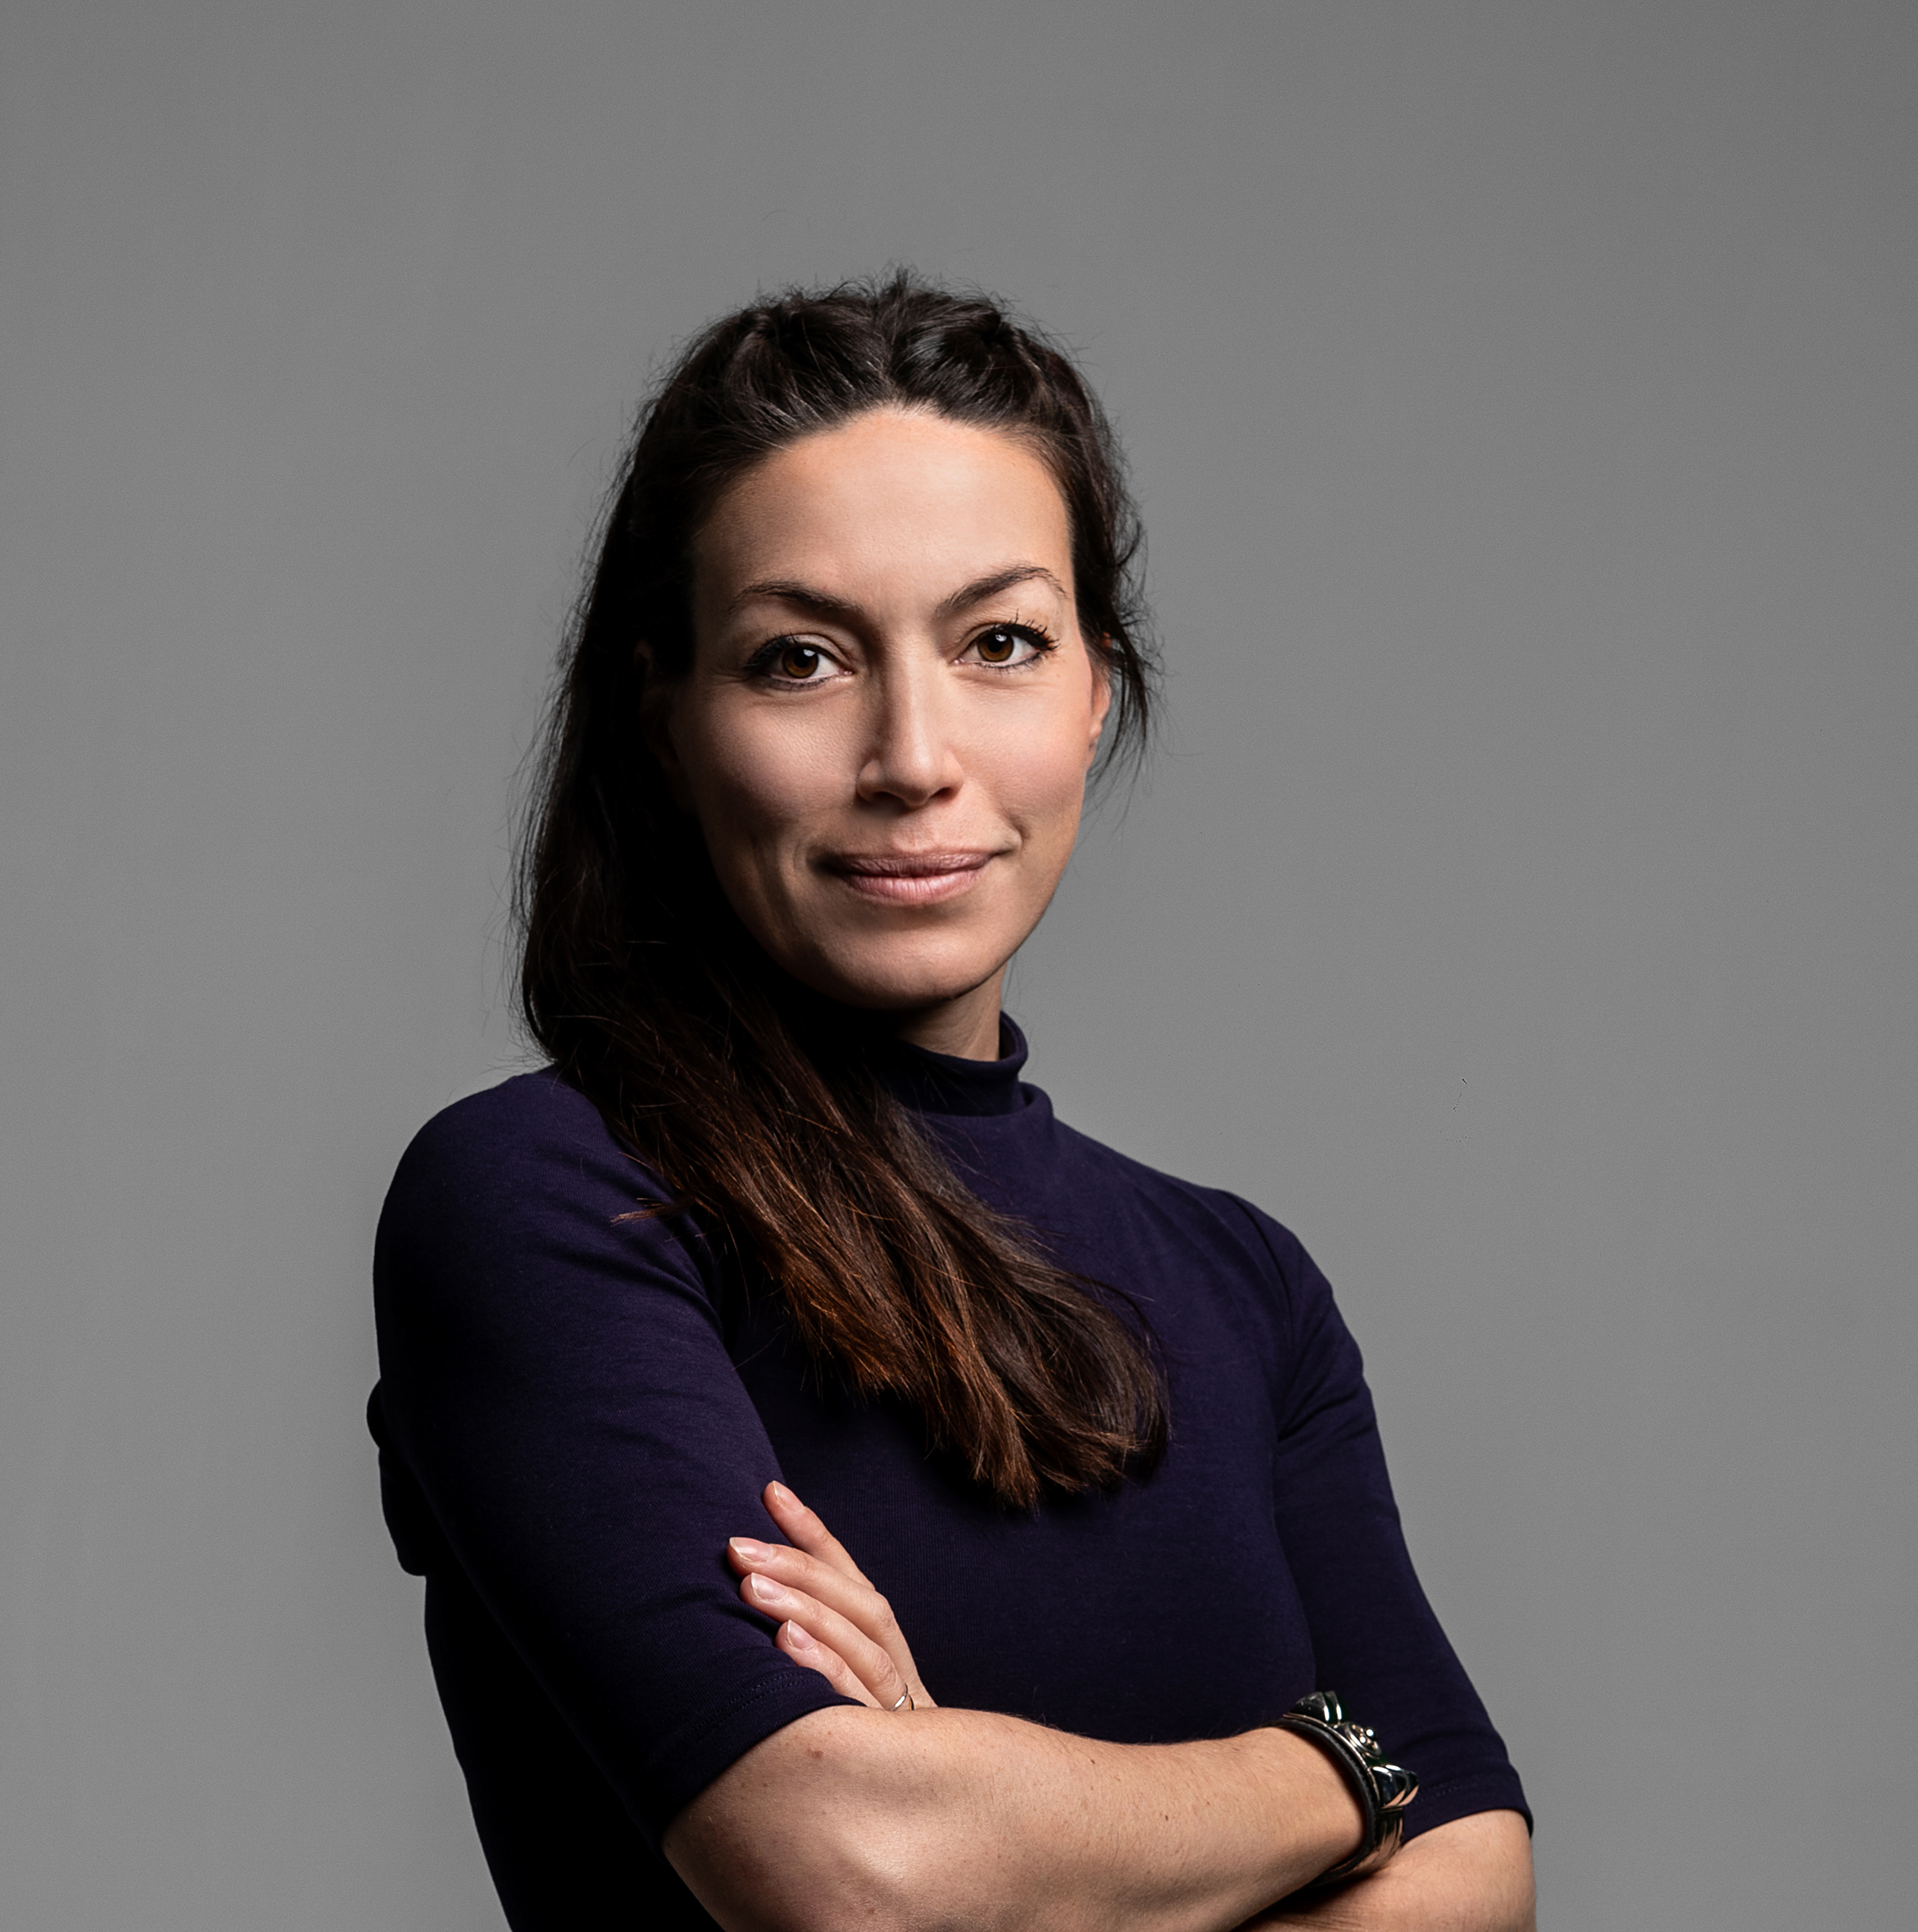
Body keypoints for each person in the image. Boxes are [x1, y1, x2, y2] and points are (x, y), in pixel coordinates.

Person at [368, 274, 1535, 1932]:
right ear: (667, 721)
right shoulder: (548, 1199)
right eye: (800, 659)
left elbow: (1481, 1889)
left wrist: (987, 1815)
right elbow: (857, 1873)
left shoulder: (1247, 1288)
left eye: (999, 643)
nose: (913, 756)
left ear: (1095, 692)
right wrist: (1341, 1774)